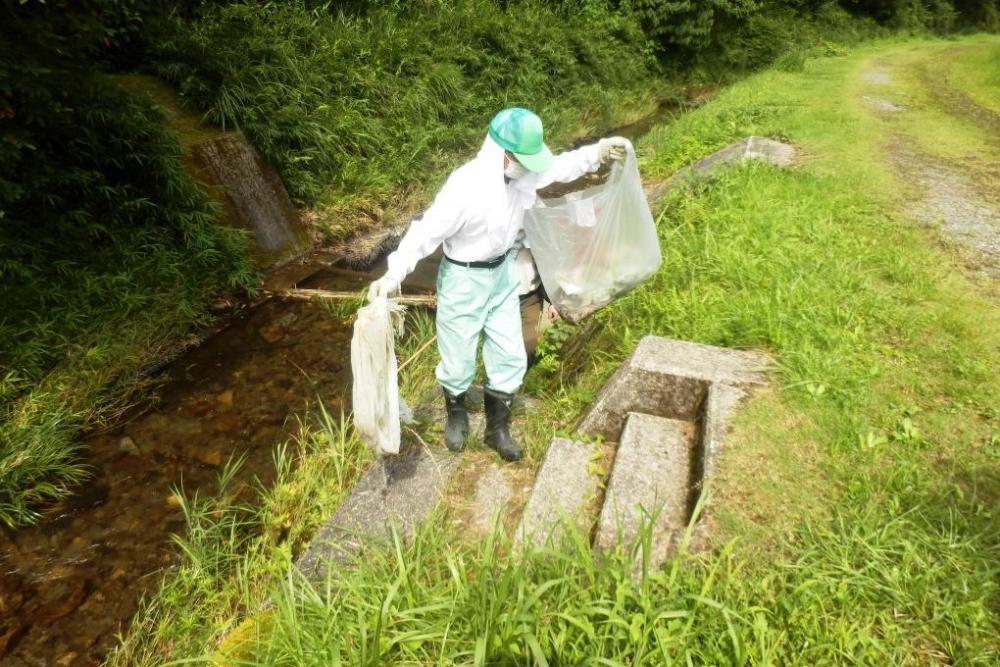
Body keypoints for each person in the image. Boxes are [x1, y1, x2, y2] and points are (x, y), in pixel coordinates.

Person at [368, 107, 627, 461]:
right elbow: (425, 233)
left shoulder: (523, 175)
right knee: (457, 358)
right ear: (501, 152)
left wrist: (596, 153)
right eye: (524, 159)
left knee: (509, 352)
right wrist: (392, 274)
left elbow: (560, 167)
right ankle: (456, 415)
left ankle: (497, 428)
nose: (530, 167)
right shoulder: (465, 187)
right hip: (463, 278)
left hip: (503, 274)